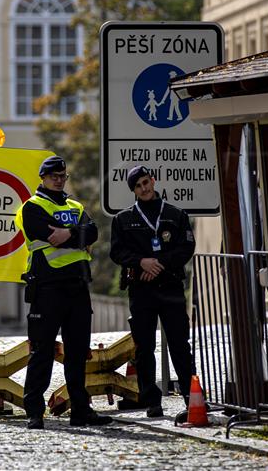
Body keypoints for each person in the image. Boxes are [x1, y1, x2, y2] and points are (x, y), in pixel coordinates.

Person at [14, 155, 113, 430]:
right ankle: (34, 411)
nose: (59, 180)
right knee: (42, 352)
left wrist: (66, 234)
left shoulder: (75, 206)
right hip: (47, 288)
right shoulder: (31, 207)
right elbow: (41, 232)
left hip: (78, 287)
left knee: (78, 352)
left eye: (62, 176)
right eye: (54, 176)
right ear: (43, 178)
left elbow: (92, 232)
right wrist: (75, 235)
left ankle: (81, 410)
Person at [109, 165, 195, 418]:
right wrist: (140, 262)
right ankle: (151, 401)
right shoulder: (123, 219)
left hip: (170, 287)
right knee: (144, 348)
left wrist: (158, 264)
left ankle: (193, 398)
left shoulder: (176, 214)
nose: (144, 188)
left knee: (180, 345)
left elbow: (186, 248)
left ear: (153, 181)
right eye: (138, 186)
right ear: (133, 190)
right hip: (141, 290)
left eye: (146, 182)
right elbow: (117, 252)